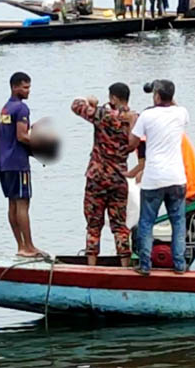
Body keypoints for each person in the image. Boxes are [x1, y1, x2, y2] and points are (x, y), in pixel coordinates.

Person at [127, 80, 189, 276]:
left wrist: (132, 123)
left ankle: (145, 265)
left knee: (146, 222)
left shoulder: (147, 115)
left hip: (153, 178)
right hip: (177, 178)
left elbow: (131, 144)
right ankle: (179, 264)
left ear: (156, 96)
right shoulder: (181, 113)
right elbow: (175, 106)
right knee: (178, 222)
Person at [71, 83, 135, 267]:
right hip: (119, 178)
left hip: (97, 177)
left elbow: (76, 106)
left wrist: (89, 101)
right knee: (120, 225)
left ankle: (91, 266)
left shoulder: (103, 115)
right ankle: (124, 266)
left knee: (93, 225)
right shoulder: (134, 119)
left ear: (113, 98)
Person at [0, 72, 46, 258]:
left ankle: (20, 246)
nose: (28, 91)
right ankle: (29, 246)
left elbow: (13, 133)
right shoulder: (21, 108)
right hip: (18, 164)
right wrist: (42, 142)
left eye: (29, 87)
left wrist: (31, 127)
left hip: (4, 163)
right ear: (14, 87)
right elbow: (21, 136)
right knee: (23, 204)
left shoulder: (6, 108)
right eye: (25, 87)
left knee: (12, 203)